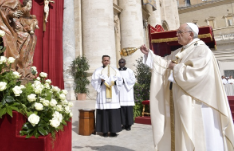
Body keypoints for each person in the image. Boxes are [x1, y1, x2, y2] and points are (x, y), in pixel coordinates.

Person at [140, 23, 234, 151]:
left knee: (201, 135)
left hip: (198, 102)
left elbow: (197, 73)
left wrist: (175, 67)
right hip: (182, 101)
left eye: (180, 32)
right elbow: (164, 63)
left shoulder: (202, 50)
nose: (176, 35)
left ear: (190, 34)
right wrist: (149, 55)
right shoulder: (180, 51)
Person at [0, 0, 37, 78]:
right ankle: (15, 67)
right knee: (25, 37)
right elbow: (0, 10)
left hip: (15, 25)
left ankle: (24, 68)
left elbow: (21, 15)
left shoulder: (17, 1)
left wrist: (30, 21)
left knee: (32, 38)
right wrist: (12, 14)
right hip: (6, 25)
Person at [91, 55, 123, 137]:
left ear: (110, 61)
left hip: (113, 95)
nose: (106, 62)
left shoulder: (115, 70)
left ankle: (113, 131)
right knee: (104, 112)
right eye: (105, 60)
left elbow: (120, 80)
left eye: (107, 60)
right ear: (102, 61)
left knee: (113, 112)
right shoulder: (98, 71)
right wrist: (100, 81)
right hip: (103, 94)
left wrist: (115, 82)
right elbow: (93, 81)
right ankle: (104, 131)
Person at [118, 58, 136, 131]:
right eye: (120, 62)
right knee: (121, 109)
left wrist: (124, 80)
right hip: (120, 92)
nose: (121, 63)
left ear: (125, 63)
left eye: (122, 62)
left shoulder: (129, 71)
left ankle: (129, 125)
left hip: (127, 91)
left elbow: (133, 80)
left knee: (128, 109)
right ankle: (123, 123)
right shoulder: (116, 71)